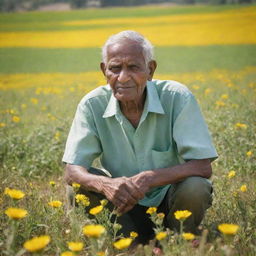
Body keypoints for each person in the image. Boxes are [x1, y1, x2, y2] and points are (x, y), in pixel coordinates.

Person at [62, 30, 218, 244]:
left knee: (195, 186)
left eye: (133, 67)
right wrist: (105, 184)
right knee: (78, 186)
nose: (123, 77)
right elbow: (72, 170)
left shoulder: (176, 97)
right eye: (115, 68)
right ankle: (129, 245)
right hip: (120, 206)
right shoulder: (92, 104)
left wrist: (148, 178)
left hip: (170, 204)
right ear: (104, 71)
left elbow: (202, 167)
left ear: (150, 69)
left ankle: (176, 241)